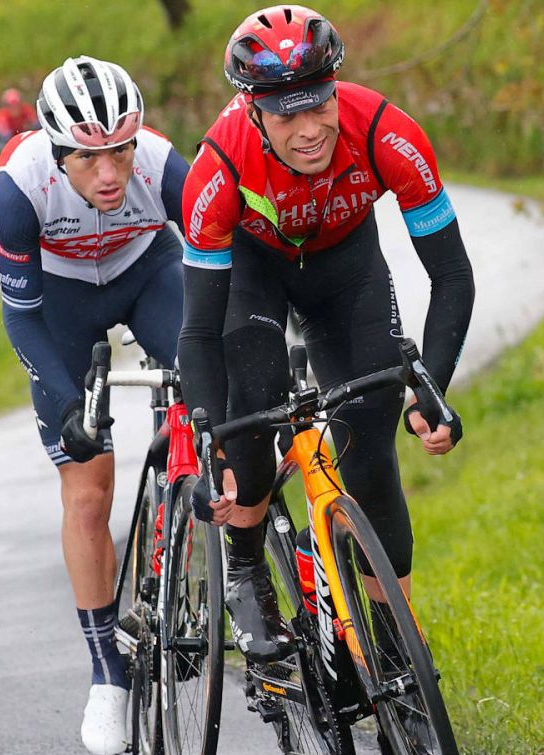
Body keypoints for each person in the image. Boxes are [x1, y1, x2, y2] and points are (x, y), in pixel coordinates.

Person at [178, 6, 475, 665]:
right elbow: (199, 329)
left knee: (370, 436)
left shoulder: (386, 132)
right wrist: (211, 438)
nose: (309, 130)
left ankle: (392, 634)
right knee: (252, 416)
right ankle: (250, 570)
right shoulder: (218, 166)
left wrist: (433, 388)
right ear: (253, 109)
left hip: (347, 272)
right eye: (287, 114)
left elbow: (452, 274)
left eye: (319, 106)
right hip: (254, 278)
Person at [0, 55, 191, 755]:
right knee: (87, 491)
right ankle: (107, 672)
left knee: (212, 390)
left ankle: (213, 556)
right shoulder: (20, 186)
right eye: (87, 159)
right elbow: (21, 320)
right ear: (56, 152)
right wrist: (73, 402)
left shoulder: (165, 165)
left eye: (120, 152)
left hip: (148, 273)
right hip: (63, 302)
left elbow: (226, 264)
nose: (109, 175)